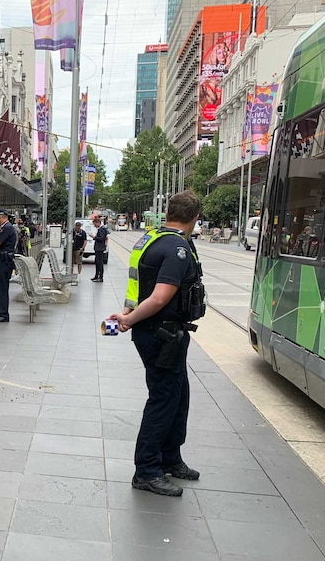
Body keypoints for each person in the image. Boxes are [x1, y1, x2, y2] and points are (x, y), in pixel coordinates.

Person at [107, 191, 206, 498]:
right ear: (194, 218)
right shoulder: (176, 247)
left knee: (179, 396)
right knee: (164, 399)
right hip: (161, 333)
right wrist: (128, 320)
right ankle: (147, 471)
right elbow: (160, 296)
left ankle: (170, 458)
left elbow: (138, 283)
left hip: (163, 332)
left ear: (167, 213)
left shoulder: (151, 239)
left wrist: (127, 313)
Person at [0, 209, 16, 323]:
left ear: (0, 217)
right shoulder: (6, 227)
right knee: (0, 287)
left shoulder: (7, 228)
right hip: (3, 260)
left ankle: (3, 314)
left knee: (2, 287)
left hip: (5, 261)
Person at [90, 217, 109, 282]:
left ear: (98, 223)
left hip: (100, 248)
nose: (94, 226)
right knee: (97, 262)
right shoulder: (101, 229)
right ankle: (96, 276)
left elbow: (101, 238)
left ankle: (100, 277)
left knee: (99, 263)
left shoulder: (102, 229)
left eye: (94, 224)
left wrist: (94, 237)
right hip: (98, 248)